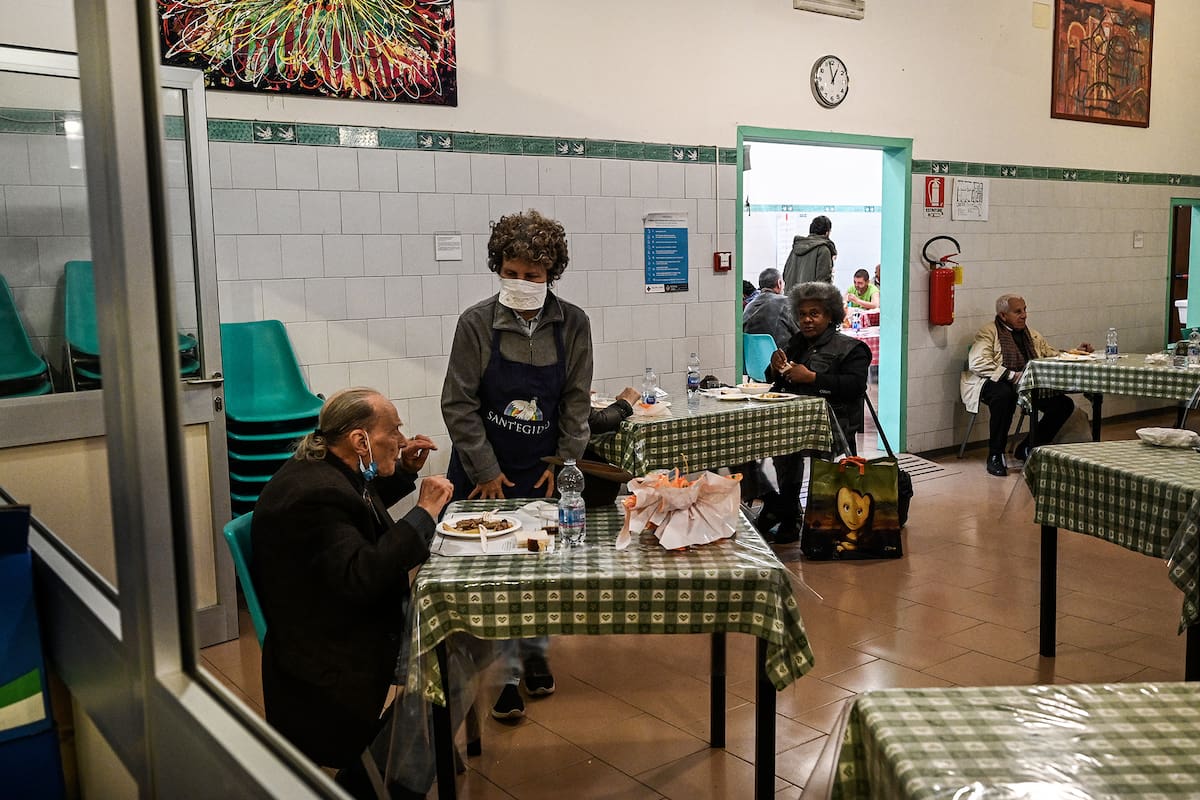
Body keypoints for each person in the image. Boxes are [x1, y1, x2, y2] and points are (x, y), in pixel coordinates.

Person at [252, 387, 453, 797]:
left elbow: (359, 507)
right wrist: (425, 511)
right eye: (393, 433)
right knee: (454, 655)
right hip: (327, 661)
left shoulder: (326, 468)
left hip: (332, 625)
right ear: (360, 440)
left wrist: (403, 471)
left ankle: (400, 757)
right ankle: (376, 781)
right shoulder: (316, 496)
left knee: (452, 649)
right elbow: (364, 572)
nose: (402, 440)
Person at [441, 209, 593, 721]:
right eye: (512, 271)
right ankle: (504, 676)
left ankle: (535, 657)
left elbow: (575, 401)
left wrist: (566, 458)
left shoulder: (573, 324)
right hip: (484, 471)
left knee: (539, 566)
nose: (522, 282)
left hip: (541, 467)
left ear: (552, 274)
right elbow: (458, 404)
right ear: (497, 266)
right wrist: (484, 470)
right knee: (497, 572)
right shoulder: (476, 323)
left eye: (533, 274)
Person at [756, 282, 871, 544]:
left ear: (830, 315)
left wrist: (813, 378)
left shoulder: (852, 348)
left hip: (834, 423)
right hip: (791, 422)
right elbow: (776, 380)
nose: (807, 320)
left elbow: (854, 386)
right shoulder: (796, 343)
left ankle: (811, 516)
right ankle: (788, 509)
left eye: (814, 314)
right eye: (802, 314)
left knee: (810, 457)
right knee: (770, 451)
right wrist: (774, 369)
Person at [960, 294, 1093, 477]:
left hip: (1027, 382)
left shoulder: (1032, 334)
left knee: (1063, 405)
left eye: (1025, 310)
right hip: (993, 380)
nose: (1024, 315)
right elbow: (978, 362)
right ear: (1003, 315)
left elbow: (1050, 355)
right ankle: (995, 455)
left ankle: (1028, 447)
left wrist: (1076, 352)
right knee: (1004, 396)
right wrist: (1012, 375)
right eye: (1018, 312)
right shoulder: (988, 332)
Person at [743, 267, 799, 348]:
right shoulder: (786, 302)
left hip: (753, 358)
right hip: (782, 357)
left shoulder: (749, 305)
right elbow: (800, 332)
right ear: (779, 283)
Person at [782, 215, 836, 288]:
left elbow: (785, 275)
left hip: (791, 297)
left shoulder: (796, 247)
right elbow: (823, 284)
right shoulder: (823, 250)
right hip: (810, 298)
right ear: (827, 233)